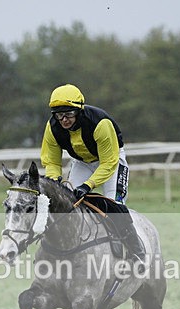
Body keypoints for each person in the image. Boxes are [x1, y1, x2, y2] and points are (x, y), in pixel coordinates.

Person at [40, 83, 146, 268]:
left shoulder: (100, 124)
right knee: (70, 204)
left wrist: (88, 185)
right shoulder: (52, 127)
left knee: (114, 206)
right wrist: (54, 180)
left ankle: (136, 251)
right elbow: (51, 162)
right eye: (59, 115)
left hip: (111, 161)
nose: (64, 120)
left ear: (79, 110)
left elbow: (108, 164)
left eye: (69, 114)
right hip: (81, 162)